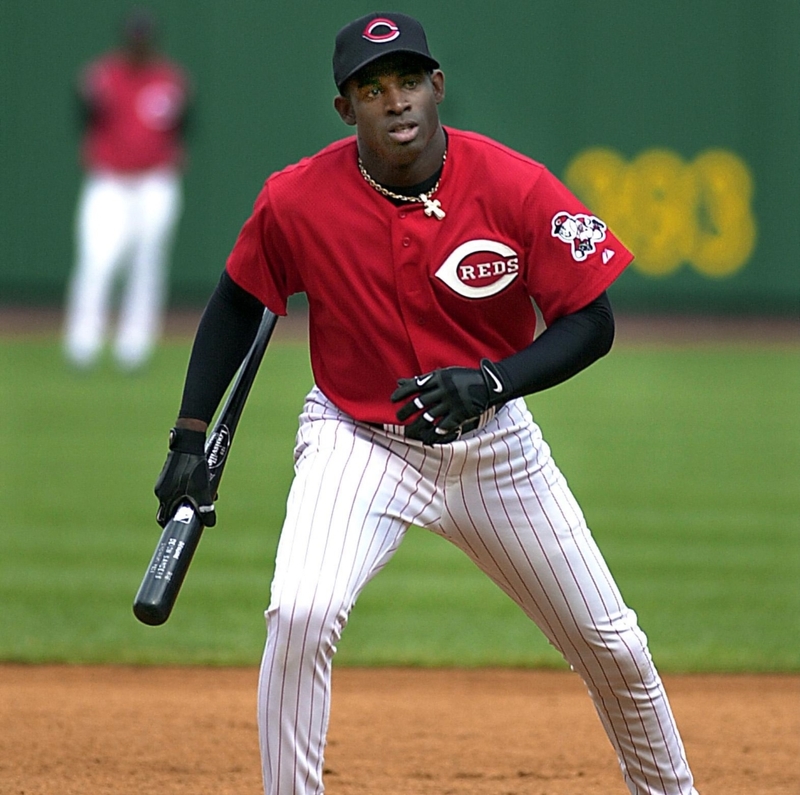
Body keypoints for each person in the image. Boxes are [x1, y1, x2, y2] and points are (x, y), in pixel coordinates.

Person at [153, 12, 700, 795]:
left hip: (497, 448)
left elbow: (594, 321)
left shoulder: (513, 184)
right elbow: (238, 302)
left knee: (614, 646)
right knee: (302, 610)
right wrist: (187, 437)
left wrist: (495, 379)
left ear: (437, 86)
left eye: (409, 80)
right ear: (347, 109)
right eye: (372, 88)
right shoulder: (297, 199)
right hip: (358, 440)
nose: (396, 100)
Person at [63, 8, 191, 371]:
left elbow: (183, 127)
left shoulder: (170, 80)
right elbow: (85, 120)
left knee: (147, 261)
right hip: (109, 181)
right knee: (97, 259)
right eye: (134, 38)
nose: (138, 45)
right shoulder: (101, 76)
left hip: (154, 181)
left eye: (144, 38)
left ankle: (134, 345)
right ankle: (82, 342)